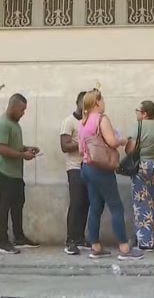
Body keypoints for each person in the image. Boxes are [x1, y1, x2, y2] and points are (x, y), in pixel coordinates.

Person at [78, 89, 143, 260]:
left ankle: (95, 247)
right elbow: (112, 142)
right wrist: (123, 140)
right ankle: (124, 248)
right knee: (116, 206)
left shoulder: (83, 122)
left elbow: (80, 149)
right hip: (101, 169)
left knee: (95, 206)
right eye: (103, 99)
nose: (104, 102)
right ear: (97, 102)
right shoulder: (101, 119)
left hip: (86, 167)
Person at [0, 94, 41, 255]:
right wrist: (23, 155)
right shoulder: (3, 123)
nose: (23, 113)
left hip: (16, 173)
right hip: (5, 171)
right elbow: (1, 148)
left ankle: (19, 237)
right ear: (13, 107)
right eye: (22, 110)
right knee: (5, 205)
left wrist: (27, 148)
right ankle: (3, 242)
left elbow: (14, 145)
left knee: (18, 204)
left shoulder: (15, 124)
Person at [127, 100, 154, 252]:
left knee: (142, 203)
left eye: (138, 110)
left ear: (144, 113)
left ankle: (146, 241)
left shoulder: (139, 126)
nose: (136, 113)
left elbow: (130, 149)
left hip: (143, 167)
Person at [60, 92, 89, 255]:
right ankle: (70, 240)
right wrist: (83, 144)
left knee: (86, 203)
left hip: (88, 166)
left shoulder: (89, 122)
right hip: (74, 167)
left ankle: (80, 237)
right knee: (76, 202)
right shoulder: (69, 121)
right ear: (77, 102)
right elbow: (64, 145)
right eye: (83, 103)